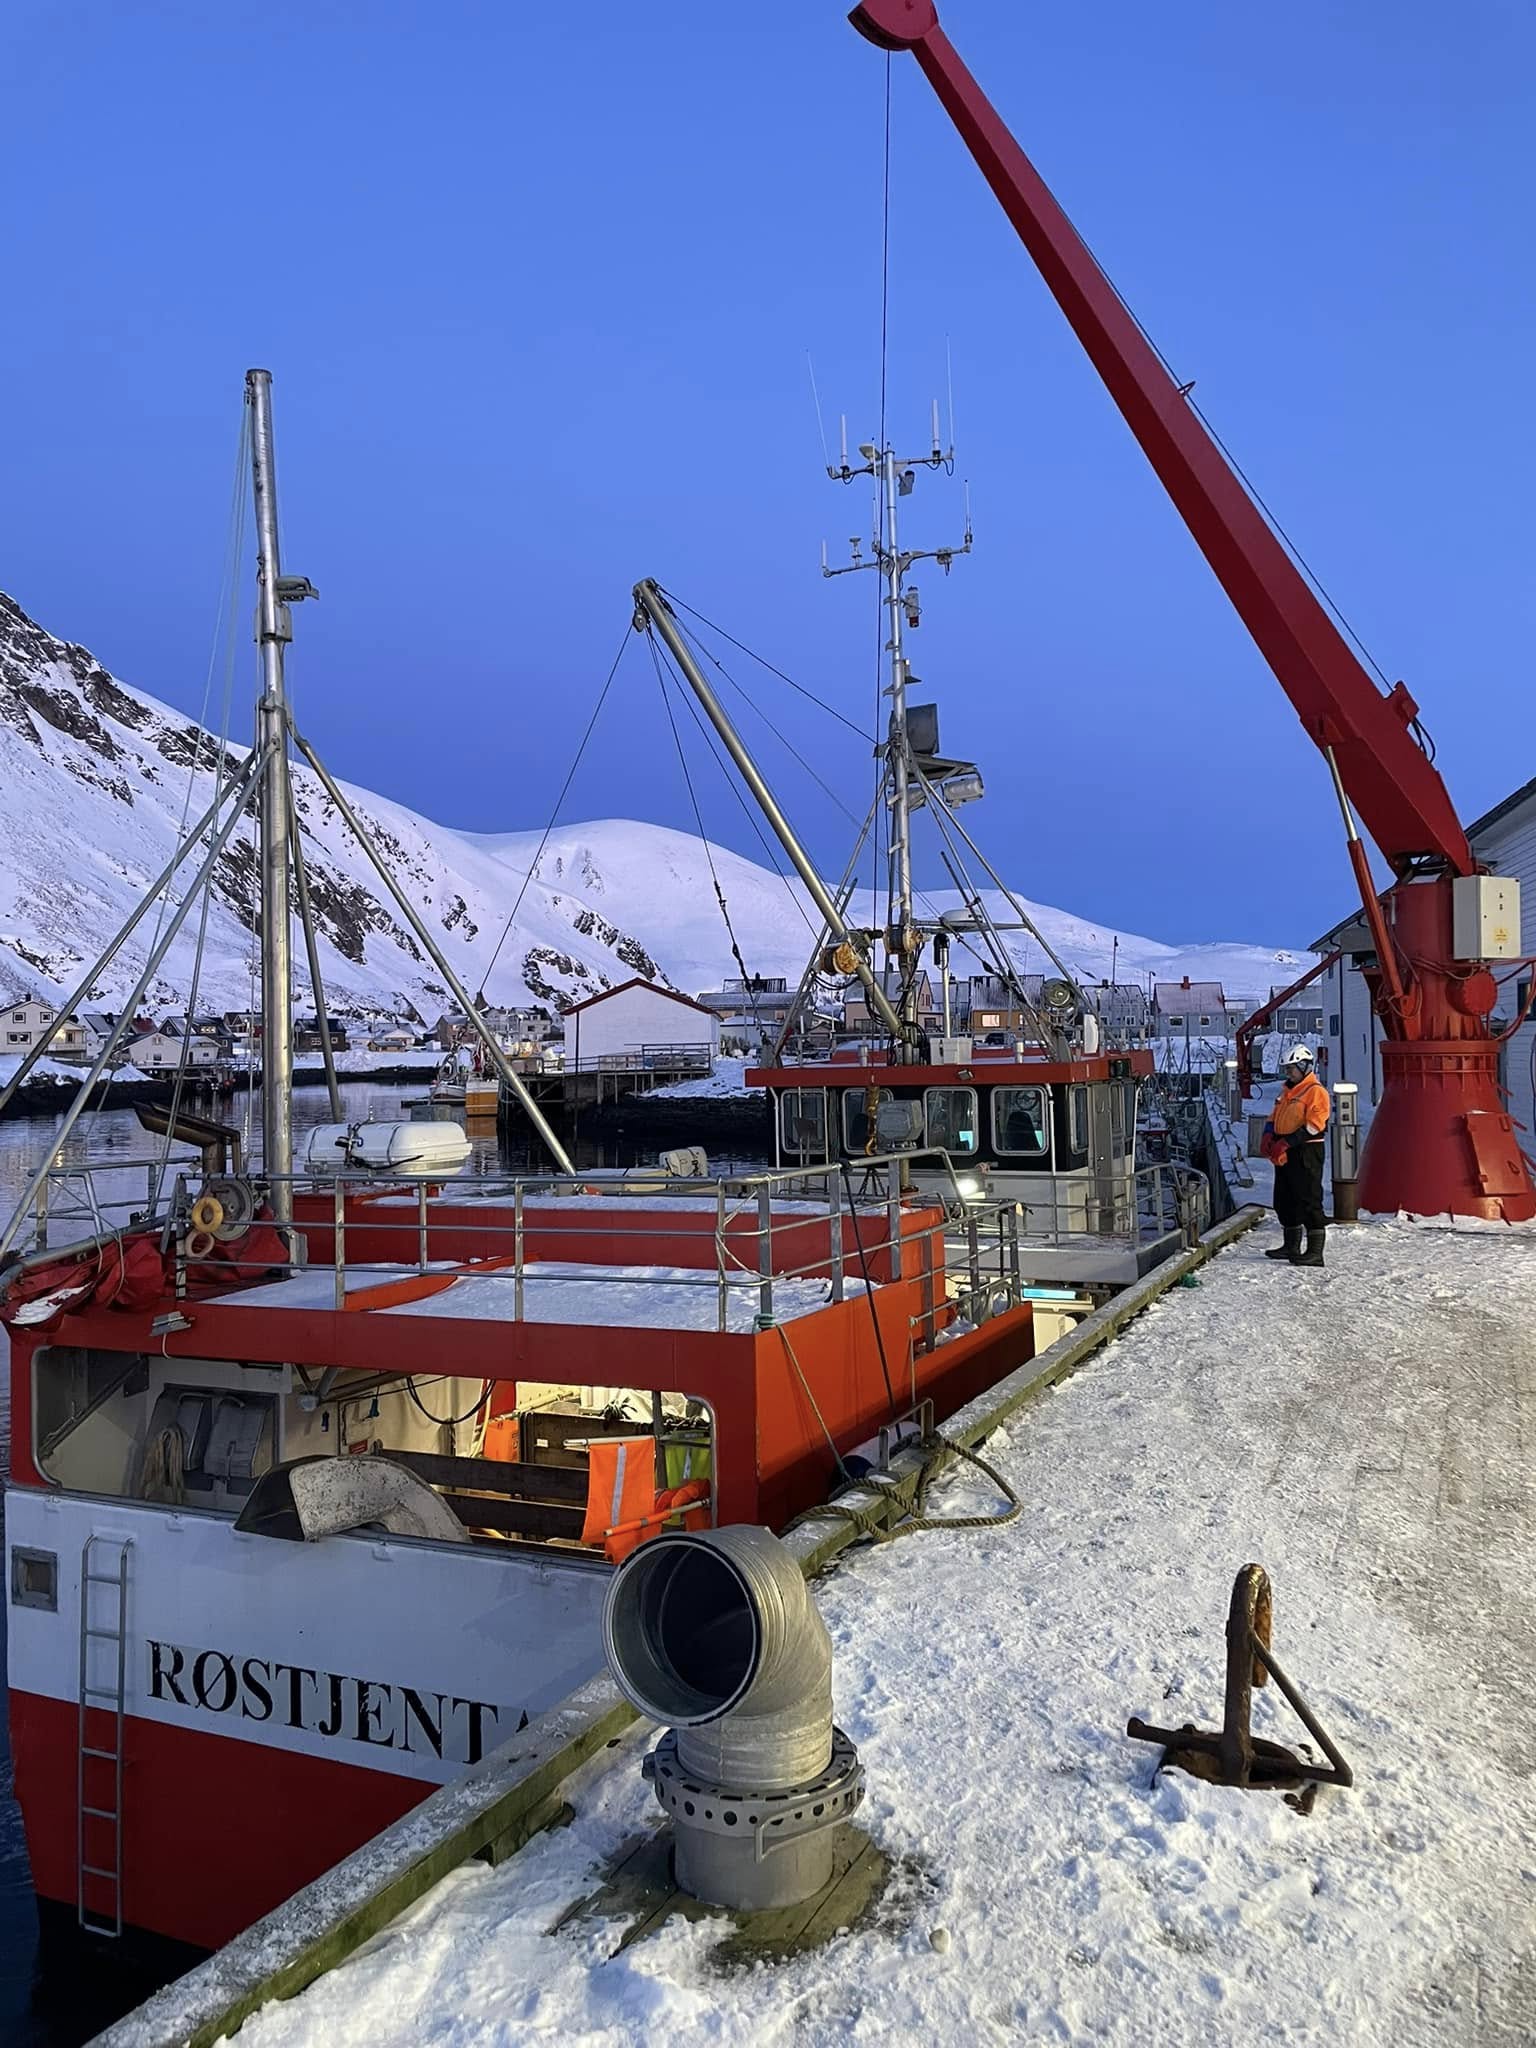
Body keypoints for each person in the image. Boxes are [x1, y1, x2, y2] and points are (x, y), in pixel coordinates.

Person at [1263, 1046, 1331, 1267]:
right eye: (1287, 1069)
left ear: (1304, 1067)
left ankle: (1315, 1252)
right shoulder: (1287, 1091)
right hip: (1285, 1151)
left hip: (1306, 1150)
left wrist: (1287, 1142)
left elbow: (1315, 1125)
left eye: (1292, 1068)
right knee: (1284, 1198)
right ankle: (1290, 1245)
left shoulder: (1315, 1091)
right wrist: (1269, 1134)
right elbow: (1275, 1115)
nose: (1288, 1073)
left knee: (1308, 1198)